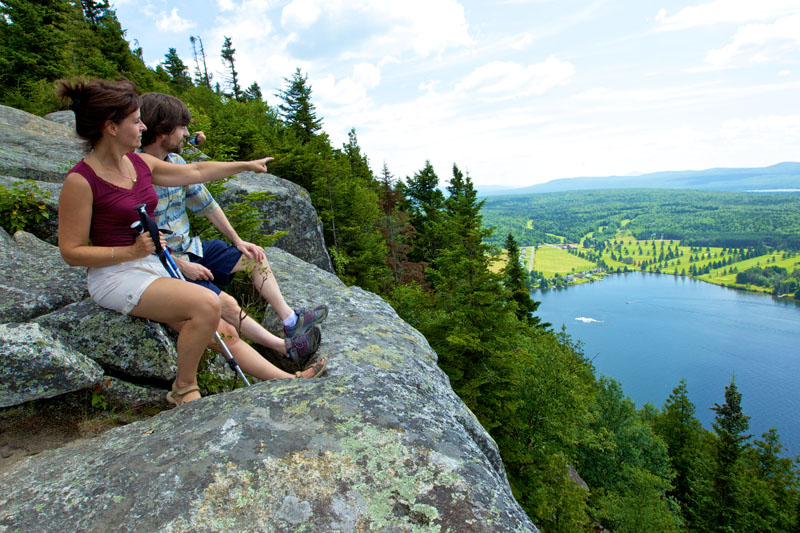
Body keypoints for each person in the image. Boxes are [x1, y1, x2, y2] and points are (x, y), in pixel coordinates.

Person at [56, 78, 326, 407]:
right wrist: (130, 251)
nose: (143, 126)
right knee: (206, 304)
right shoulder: (81, 181)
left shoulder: (138, 165)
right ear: (111, 127)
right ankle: (184, 387)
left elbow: (196, 171)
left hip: (153, 263)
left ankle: (289, 379)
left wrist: (244, 166)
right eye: (135, 120)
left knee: (223, 319)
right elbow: (70, 251)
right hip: (117, 274)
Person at [138, 93, 328, 372]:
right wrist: (181, 266)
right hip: (167, 264)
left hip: (189, 248)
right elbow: (140, 239)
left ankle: (290, 321)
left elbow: (208, 205)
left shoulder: (175, 164)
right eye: (182, 127)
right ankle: (285, 350)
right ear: (162, 130)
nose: (188, 133)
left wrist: (238, 241)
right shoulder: (134, 174)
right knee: (223, 302)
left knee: (254, 256)